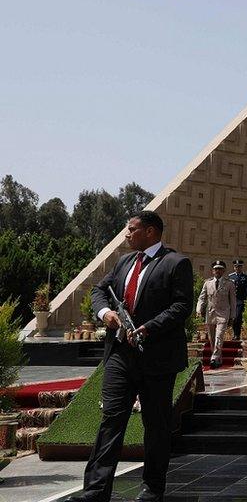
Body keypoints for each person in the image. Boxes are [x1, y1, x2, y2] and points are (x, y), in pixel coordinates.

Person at [65, 210, 192, 502]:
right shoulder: (123, 262)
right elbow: (99, 290)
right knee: (111, 419)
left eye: (132, 229)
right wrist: (105, 312)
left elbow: (181, 307)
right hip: (121, 356)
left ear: (150, 232)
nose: (127, 234)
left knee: (156, 425)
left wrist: (149, 328)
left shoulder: (176, 263)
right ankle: (96, 491)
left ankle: (152, 489)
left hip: (157, 357)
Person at [196, 260, 236, 369]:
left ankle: (214, 357)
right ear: (213, 271)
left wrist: (232, 316)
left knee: (219, 336)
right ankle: (219, 358)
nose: (217, 271)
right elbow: (202, 297)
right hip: (211, 313)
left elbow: (233, 301)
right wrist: (199, 309)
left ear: (223, 270)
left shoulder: (229, 283)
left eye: (220, 269)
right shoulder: (207, 283)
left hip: (223, 313)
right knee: (212, 338)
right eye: (216, 269)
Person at [227, 259, 247, 340]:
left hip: (241, 300)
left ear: (242, 267)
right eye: (236, 267)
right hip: (232, 300)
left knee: (238, 317)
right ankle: (235, 334)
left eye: (239, 266)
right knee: (233, 318)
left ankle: (237, 334)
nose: (237, 268)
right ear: (234, 267)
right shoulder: (231, 276)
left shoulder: (246, 277)